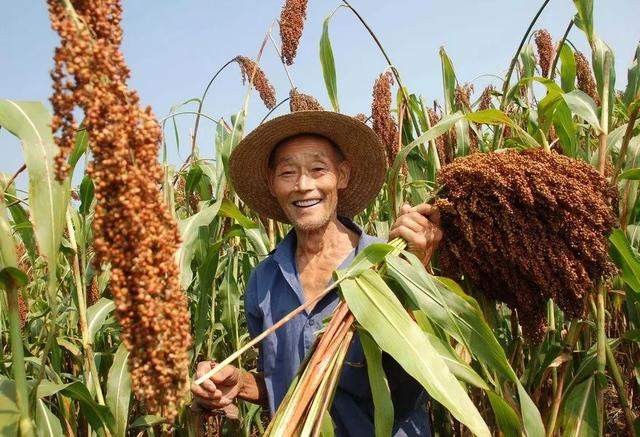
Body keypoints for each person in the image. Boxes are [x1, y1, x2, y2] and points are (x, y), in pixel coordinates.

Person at [191, 110, 442, 435]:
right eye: (287, 172)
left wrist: (414, 274)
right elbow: (284, 385)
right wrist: (237, 383)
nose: (303, 185)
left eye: (318, 169)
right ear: (271, 183)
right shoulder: (263, 280)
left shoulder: (387, 265)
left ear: (342, 175)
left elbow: (421, 380)